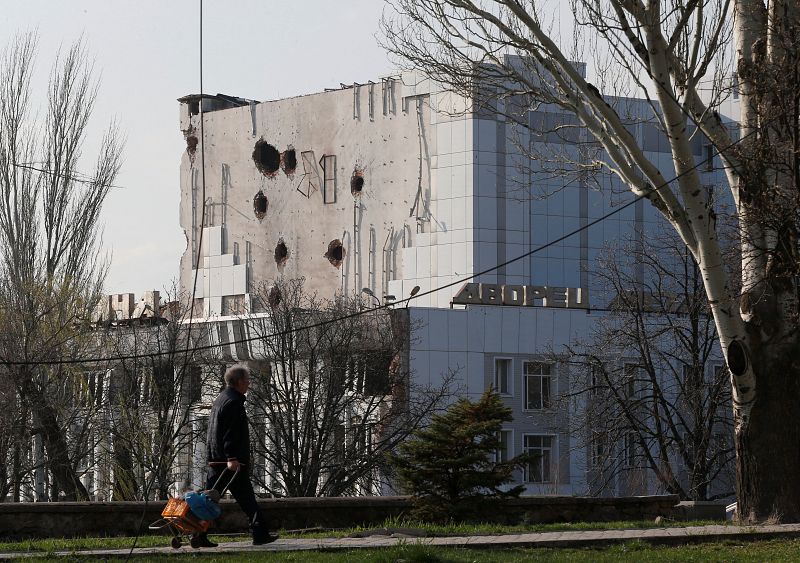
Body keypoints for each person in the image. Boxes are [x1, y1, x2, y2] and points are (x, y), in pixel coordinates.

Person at [194, 364, 277, 548]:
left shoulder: (221, 399)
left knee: (210, 499)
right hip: (230, 462)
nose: (249, 383)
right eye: (247, 380)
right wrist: (232, 457)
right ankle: (260, 534)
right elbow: (230, 433)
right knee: (246, 499)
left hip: (217, 459)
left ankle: (199, 533)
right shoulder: (234, 402)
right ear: (239, 382)